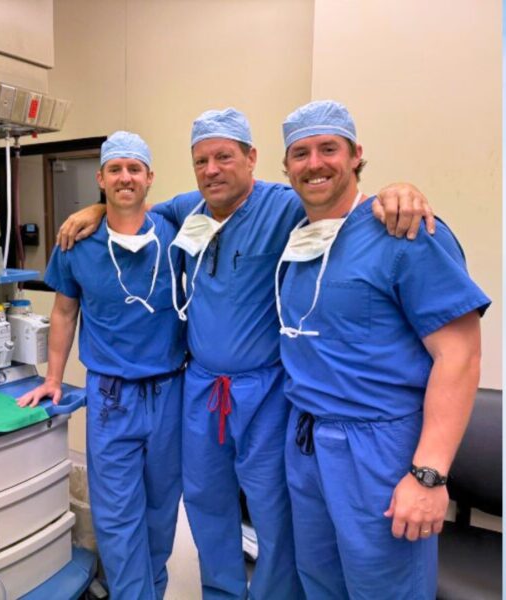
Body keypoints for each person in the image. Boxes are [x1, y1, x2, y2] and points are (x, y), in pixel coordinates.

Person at [56, 109, 435, 599]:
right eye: (202, 160)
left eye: (225, 157)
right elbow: (133, 211)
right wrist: (92, 210)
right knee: (206, 503)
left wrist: (397, 190)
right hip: (200, 386)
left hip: (267, 389)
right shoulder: (186, 210)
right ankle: (222, 593)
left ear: (252, 158)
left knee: (274, 509)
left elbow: (342, 201)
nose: (213, 169)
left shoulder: (284, 206)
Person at [275, 100, 491, 598]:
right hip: (307, 439)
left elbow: (459, 356)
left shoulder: (406, 233)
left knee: (384, 588)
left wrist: (428, 475)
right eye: (300, 153)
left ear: (356, 156)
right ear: (285, 167)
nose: (314, 164)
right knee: (320, 583)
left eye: (329, 148)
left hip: (380, 451)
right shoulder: (299, 236)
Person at [17, 131, 186, 599]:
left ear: (150, 177)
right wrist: (53, 378)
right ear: (100, 178)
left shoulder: (177, 234)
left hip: (171, 390)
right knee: (115, 514)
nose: (125, 177)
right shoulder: (77, 244)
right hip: (112, 397)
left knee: (160, 508)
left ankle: (150, 588)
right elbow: (64, 312)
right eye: (115, 169)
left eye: (134, 168)